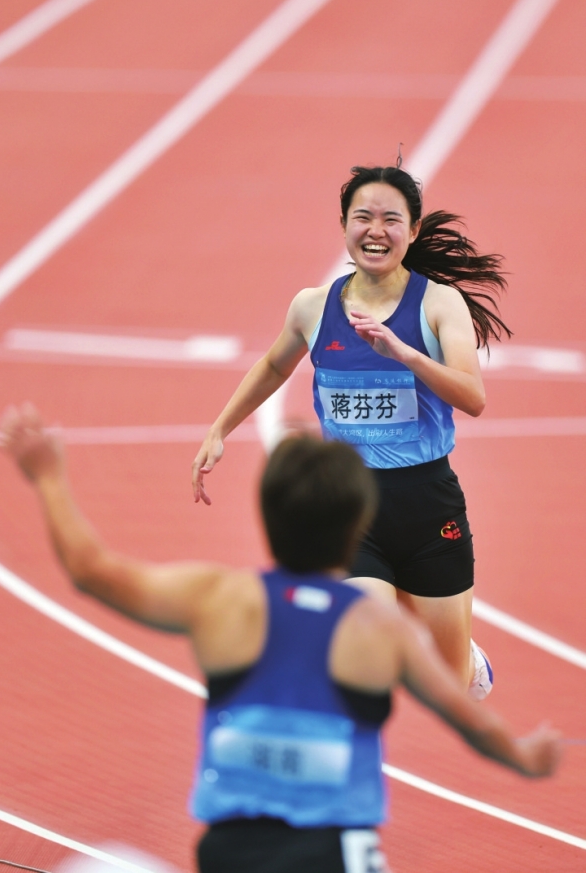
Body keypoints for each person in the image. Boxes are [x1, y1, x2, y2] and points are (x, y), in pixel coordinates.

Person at [0, 404, 561, 873]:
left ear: (266, 514)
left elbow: (91, 571)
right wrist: (524, 756)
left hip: (229, 853)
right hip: (339, 856)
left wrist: (47, 476)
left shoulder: (219, 600)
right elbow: (471, 717)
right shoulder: (379, 628)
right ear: (358, 527)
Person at [192, 163, 513, 700]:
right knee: (369, 654)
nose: (375, 231)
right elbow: (273, 366)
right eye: (363, 217)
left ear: (413, 230)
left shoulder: (438, 304)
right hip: (352, 506)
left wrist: (406, 353)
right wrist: (219, 428)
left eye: (391, 219)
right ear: (343, 225)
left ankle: (466, 659)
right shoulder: (313, 307)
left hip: (428, 504)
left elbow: (473, 397)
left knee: (451, 685)